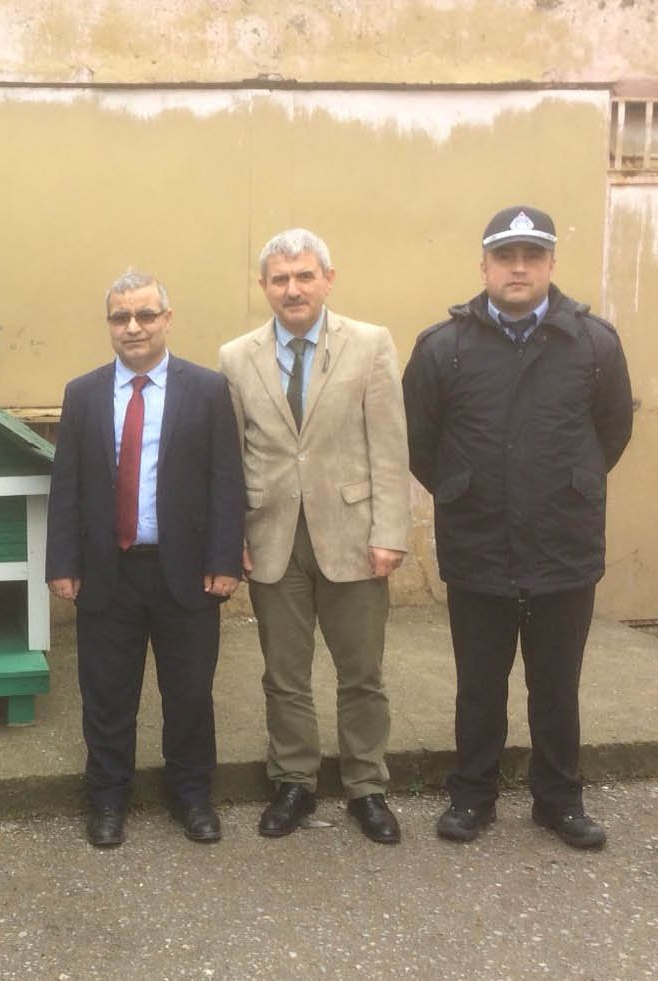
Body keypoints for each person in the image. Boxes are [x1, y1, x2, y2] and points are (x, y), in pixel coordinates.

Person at [402, 205, 633, 850]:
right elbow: (422, 446)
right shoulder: (442, 348)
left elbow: (611, 435)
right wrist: (470, 493)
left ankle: (559, 800)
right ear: (484, 267)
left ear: (552, 265)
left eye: (533, 256)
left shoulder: (593, 344)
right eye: (507, 257)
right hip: (478, 543)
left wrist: (564, 487)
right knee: (479, 682)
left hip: (565, 544)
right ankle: (472, 797)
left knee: (557, 684)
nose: (520, 268)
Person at [218, 228, 410, 845]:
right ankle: (294, 780)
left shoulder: (370, 344)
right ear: (264, 287)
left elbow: (388, 444)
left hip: (353, 535)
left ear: (329, 278)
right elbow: (230, 456)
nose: (292, 288)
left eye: (304, 276)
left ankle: (366, 786)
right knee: (284, 673)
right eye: (280, 278)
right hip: (271, 535)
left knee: (361, 672)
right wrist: (232, 536)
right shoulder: (235, 357)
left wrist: (391, 532)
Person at [46, 271, 245, 848]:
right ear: (109, 324)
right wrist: (63, 562)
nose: (132, 327)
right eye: (120, 317)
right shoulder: (83, 393)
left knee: (189, 693)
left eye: (144, 315)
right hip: (108, 573)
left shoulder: (206, 390)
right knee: (106, 694)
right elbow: (68, 488)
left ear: (167, 318)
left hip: (187, 573)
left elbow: (226, 481)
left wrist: (225, 558)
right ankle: (108, 799)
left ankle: (191, 796)